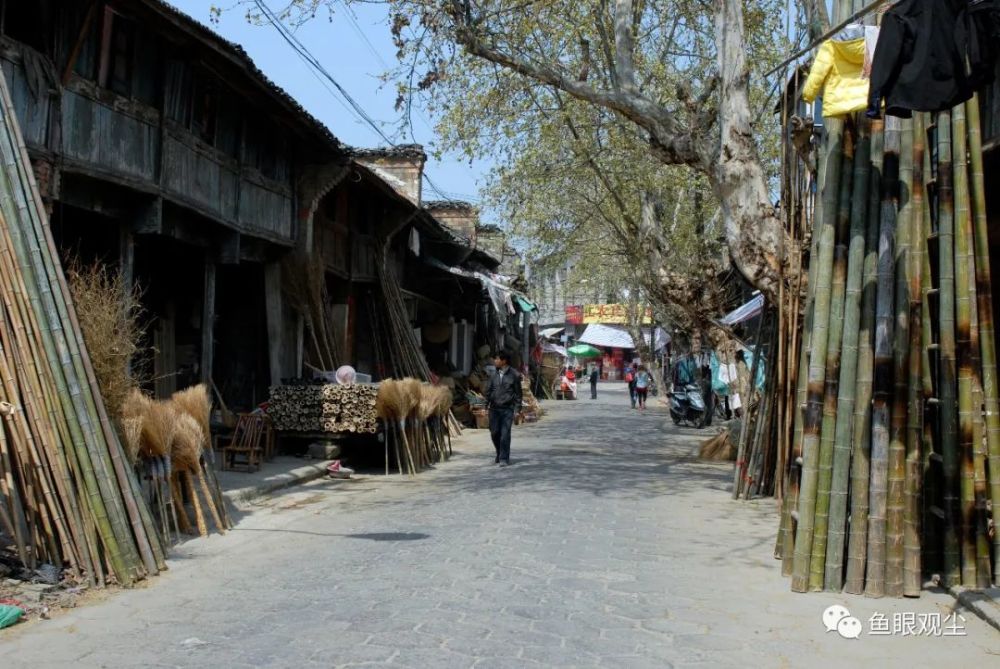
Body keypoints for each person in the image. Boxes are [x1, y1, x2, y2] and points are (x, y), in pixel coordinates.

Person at [485, 350, 522, 467]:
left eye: (497, 359)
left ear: (504, 361)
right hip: (494, 409)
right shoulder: (493, 375)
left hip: (507, 409)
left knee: (505, 434)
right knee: (494, 433)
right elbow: (488, 391)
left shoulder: (514, 375)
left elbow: (518, 394)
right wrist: (485, 406)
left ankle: (504, 458)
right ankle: (499, 452)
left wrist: (517, 410)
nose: (495, 361)